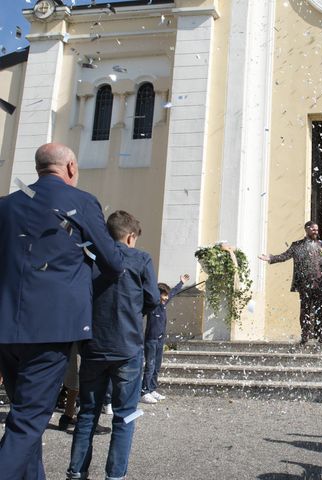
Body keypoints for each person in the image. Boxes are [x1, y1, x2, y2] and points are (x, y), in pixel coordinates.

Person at [0, 143, 124, 479]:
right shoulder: (81, 201)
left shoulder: (7, 205)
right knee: (27, 421)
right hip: (51, 326)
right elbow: (112, 262)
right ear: (70, 167)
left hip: (6, 327)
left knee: (24, 416)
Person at [67, 210, 160, 480]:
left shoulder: (90, 258)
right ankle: (115, 475)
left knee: (87, 413)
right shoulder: (141, 259)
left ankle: (76, 472)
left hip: (94, 346)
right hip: (127, 346)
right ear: (131, 236)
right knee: (125, 415)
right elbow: (153, 299)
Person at [259, 221, 322, 343]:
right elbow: (285, 256)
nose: (316, 231)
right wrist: (271, 258)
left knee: (321, 309)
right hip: (304, 284)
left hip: (319, 282)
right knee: (305, 310)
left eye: (317, 229)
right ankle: (305, 335)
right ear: (306, 229)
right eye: (313, 229)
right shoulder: (297, 245)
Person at [140, 275, 189, 404]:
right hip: (151, 340)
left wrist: (181, 283)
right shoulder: (152, 305)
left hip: (160, 340)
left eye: (167, 295)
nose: (167, 297)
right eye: (164, 295)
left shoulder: (164, 303)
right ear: (158, 294)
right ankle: (144, 391)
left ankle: (152, 389)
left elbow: (173, 292)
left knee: (156, 366)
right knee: (149, 366)